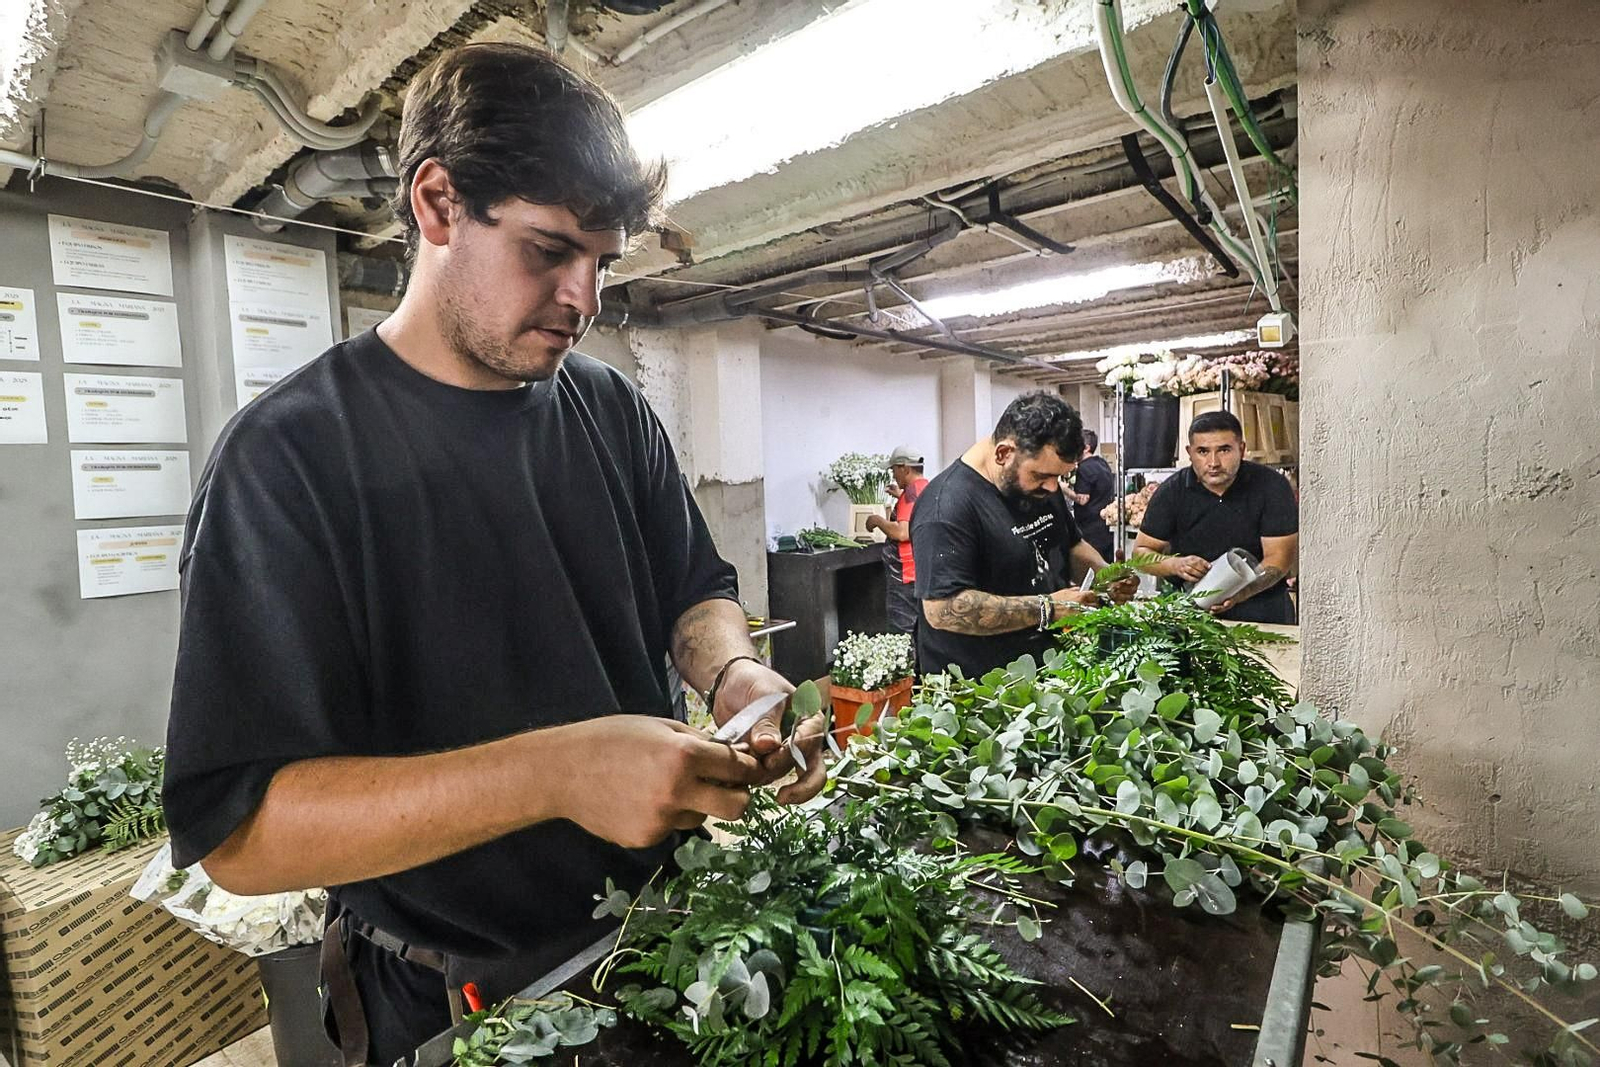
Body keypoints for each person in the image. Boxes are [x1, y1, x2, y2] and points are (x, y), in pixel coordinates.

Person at [160, 43, 826, 1066]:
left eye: (602, 261)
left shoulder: (610, 408)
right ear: (435, 203)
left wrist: (732, 669)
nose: (583, 296)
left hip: (666, 938)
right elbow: (243, 834)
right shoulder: (288, 459)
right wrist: (557, 771)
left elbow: (694, 589)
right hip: (450, 998)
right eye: (549, 249)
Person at [911, 392, 1135, 677]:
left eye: (1060, 477)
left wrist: (1106, 575)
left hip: (1041, 672)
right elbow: (943, 609)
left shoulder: (1041, 485)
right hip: (977, 691)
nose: (1053, 488)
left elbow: (1069, 544)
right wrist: (1048, 608)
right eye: (1041, 476)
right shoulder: (946, 507)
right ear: (1004, 454)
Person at [1134, 410, 1299, 623]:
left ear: (1242, 449)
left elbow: (1279, 559)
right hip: (1191, 611)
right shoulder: (1171, 492)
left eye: (1224, 450)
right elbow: (1141, 553)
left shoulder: (1271, 487)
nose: (1213, 462)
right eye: (1202, 451)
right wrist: (1176, 565)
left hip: (1262, 609)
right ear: (1189, 452)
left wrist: (1241, 592)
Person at [864, 445, 929, 637]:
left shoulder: (910, 494)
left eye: (894, 470)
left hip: (905, 574)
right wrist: (899, 496)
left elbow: (903, 532)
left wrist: (878, 521)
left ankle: (905, 665)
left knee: (903, 630)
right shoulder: (925, 487)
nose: (893, 475)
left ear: (905, 468)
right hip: (920, 571)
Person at [1070, 428, 1116, 562]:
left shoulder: (1084, 468)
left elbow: (1083, 499)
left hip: (1091, 530)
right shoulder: (1102, 463)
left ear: (1086, 448)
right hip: (1106, 528)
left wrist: (1064, 490)